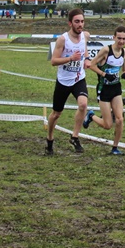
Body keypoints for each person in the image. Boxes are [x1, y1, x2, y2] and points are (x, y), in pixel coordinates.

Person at [46, 8, 90, 154]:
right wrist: (70, 58)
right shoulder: (63, 39)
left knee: (83, 104)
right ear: (70, 23)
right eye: (77, 22)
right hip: (63, 81)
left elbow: (85, 50)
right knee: (56, 114)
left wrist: (86, 59)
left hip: (79, 78)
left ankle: (75, 137)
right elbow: (53, 61)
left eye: (82, 21)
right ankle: (50, 139)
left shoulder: (85, 36)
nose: (80, 24)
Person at [84, 25, 125, 155]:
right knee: (107, 125)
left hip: (116, 88)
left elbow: (124, 68)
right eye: (119, 38)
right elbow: (91, 65)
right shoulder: (106, 50)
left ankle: (115, 148)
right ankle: (91, 116)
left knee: (120, 119)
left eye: (124, 39)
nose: (121, 41)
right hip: (103, 89)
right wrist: (105, 75)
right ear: (114, 37)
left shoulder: (124, 52)